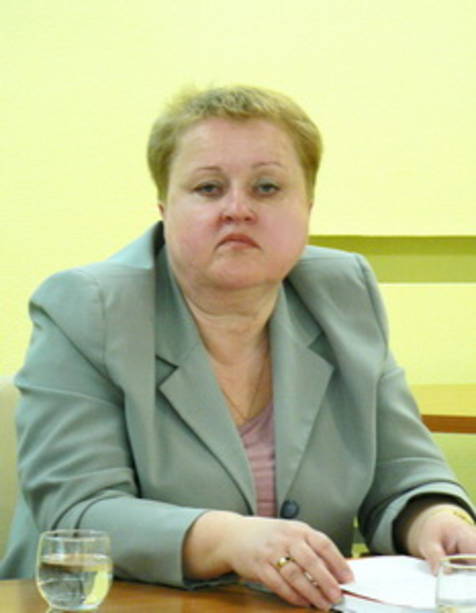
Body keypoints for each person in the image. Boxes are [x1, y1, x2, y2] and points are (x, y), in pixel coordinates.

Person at [1, 85, 475, 610]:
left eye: (267, 187)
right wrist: (230, 539)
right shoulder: (87, 308)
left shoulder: (344, 292)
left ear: (307, 207)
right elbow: (78, 512)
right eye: (208, 188)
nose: (238, 209)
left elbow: (404, 472)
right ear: (165, 208)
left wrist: (437, 518)